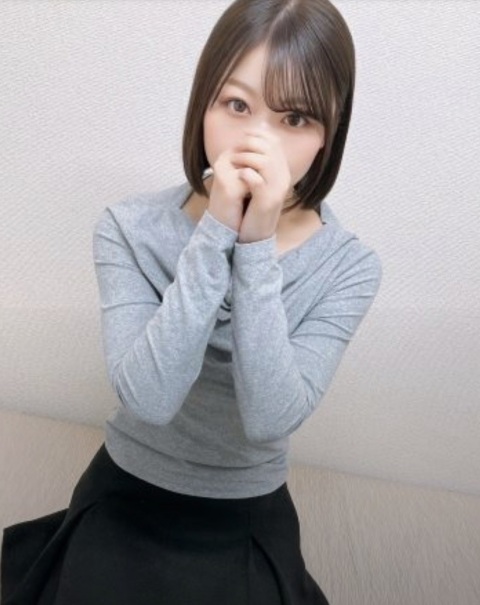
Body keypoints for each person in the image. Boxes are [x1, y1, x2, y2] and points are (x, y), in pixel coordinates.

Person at [1, 0, 382, 603]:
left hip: (246, 515)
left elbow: (269, 419)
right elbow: (149, 400)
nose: (257, 142)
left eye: (295, 117)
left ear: (328, 134)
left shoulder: (349, 266)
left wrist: (255, 244)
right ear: (203, 104)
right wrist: (217, 230)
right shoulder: (128, 228)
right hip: (124, 496)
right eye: (237, 105)